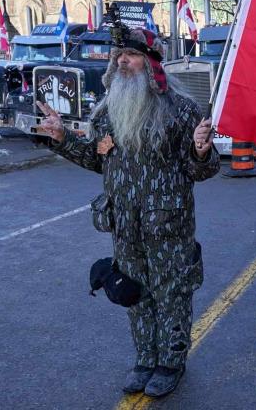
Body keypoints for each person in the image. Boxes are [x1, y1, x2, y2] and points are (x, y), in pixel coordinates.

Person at [37, 28, 220, 397]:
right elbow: (96, 159)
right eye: (118, 55)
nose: (122, 61)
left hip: (167, 226)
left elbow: (199, 171)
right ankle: (145, 359)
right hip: (125, 227)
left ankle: (171, 362)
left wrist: (201, 152)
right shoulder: (107, 111)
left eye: (131, 55)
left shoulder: (181, 111)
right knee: (134, 295)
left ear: (151, 64)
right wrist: (62, 139)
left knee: (171, 295)